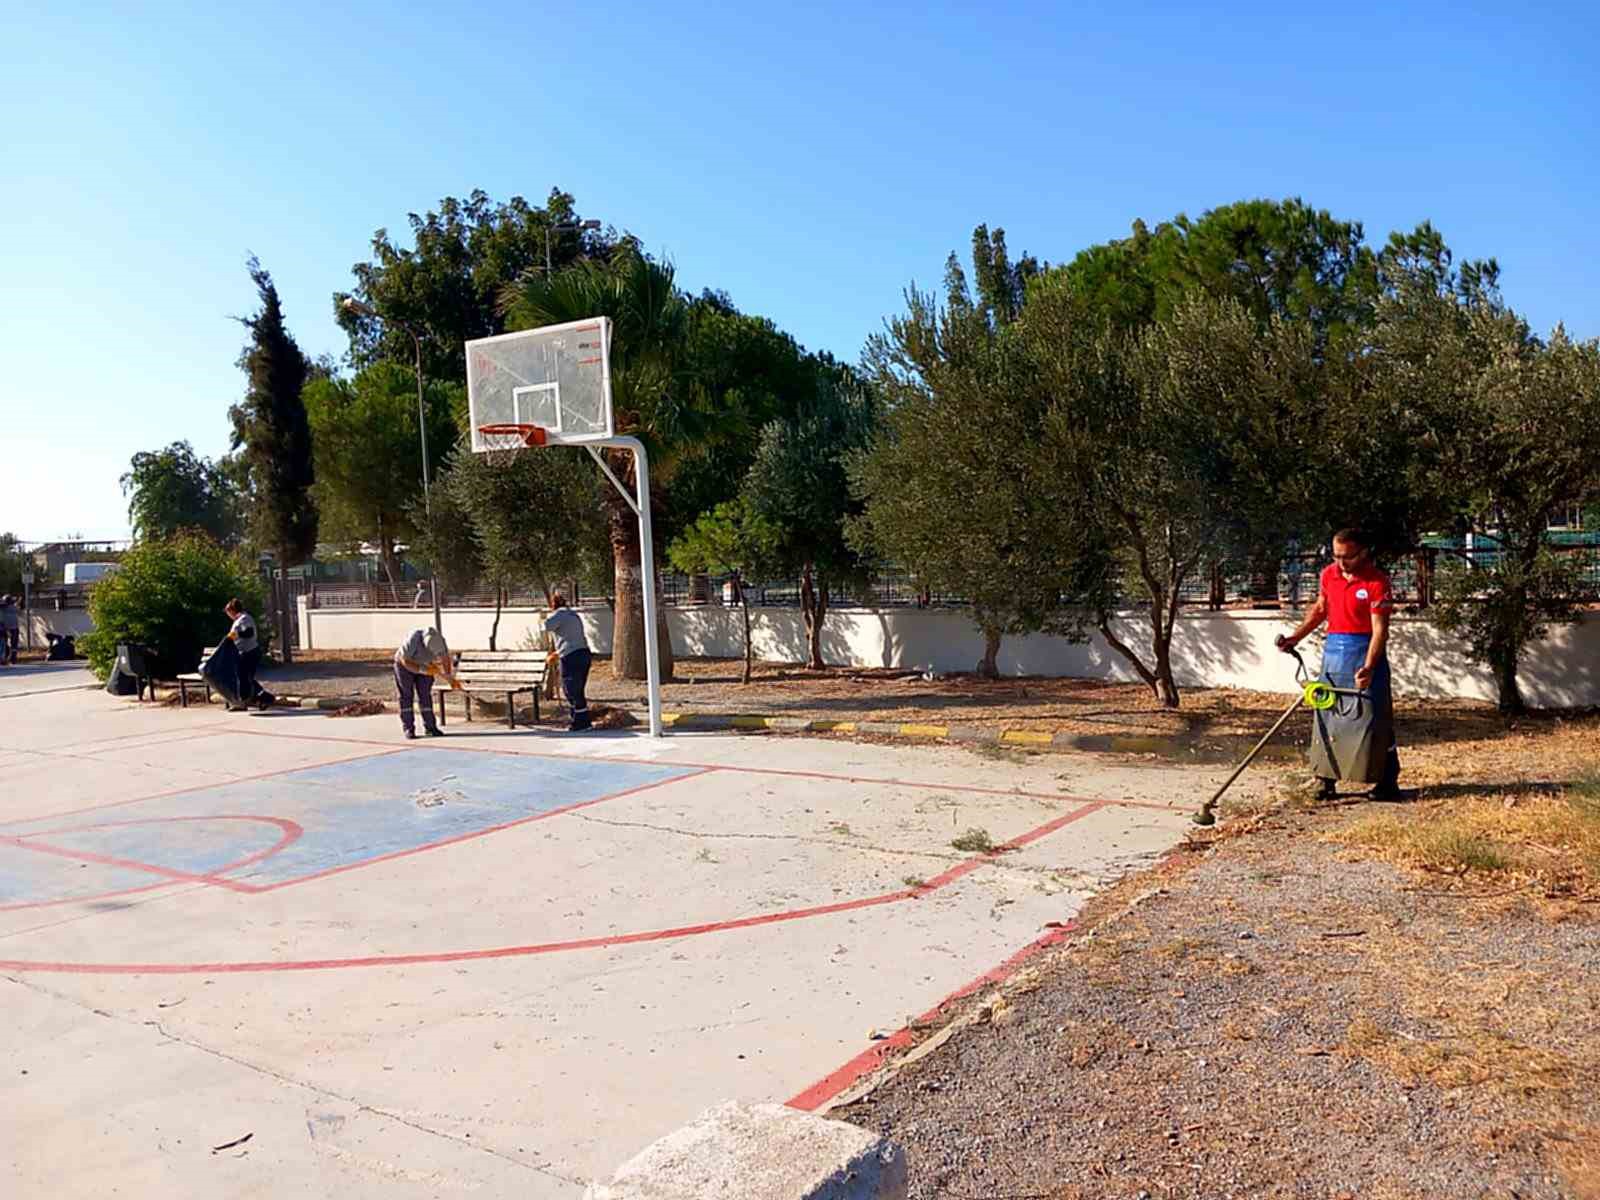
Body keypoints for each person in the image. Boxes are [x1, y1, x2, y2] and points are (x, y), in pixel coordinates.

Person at [1276, 528, 1403, 801]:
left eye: (1347, 557)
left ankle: (1387, 782)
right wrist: (1294, 638)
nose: (1341, 562)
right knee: (1327, 714)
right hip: (1334, 652)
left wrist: (1369, 666)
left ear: (1363, 552)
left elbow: (1380, 631)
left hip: (1365, 652)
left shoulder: (1377, 582)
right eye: (1336, 556)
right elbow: (1321, 610)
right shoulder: (1329, 575)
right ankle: (1325, 780)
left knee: (1374, 719)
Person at [395, 626, 454, 739]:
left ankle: (430, 728)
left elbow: (445, 658)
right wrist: (423, 670)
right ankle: (409, 728)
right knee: (406, 696)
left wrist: (449, 676)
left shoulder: (440, 641)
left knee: (425, 696)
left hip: (426, 664)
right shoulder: (414, 638)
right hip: (405, 666)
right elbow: (404, 660)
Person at [543, 594, 591, 732]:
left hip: (571, 657)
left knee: (570, 690)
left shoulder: (559, 614)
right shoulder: (573, 615)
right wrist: (556, 653)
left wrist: (543, 617)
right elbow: (571, 638)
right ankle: (581, 719)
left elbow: (545, 626)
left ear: (553, 605)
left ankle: (581, 723)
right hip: (584, 653)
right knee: (578, 690)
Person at [223, 598, 264, 710]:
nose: (229, 616)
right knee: (245, 677)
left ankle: (250, 700)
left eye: (228, 613)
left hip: (250, 652)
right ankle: (257, 698)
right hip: (245, 652)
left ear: (232, 610)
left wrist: (234, 635)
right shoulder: (239, 620)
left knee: (244, 677)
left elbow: (248, 632)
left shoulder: (244, 618)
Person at [0, 595, 18, 665]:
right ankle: (11, 658)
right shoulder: (13, 607)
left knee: (5, 643)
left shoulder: (4, 607)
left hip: (6, 628)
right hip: (13, 628)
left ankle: (7, 658)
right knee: (12, 644)